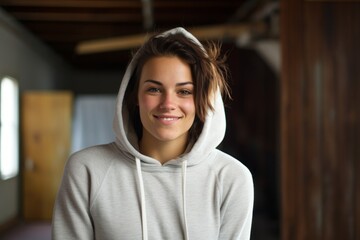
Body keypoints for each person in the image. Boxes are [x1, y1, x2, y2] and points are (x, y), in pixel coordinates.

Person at [52, 27, 254, 240]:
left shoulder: (232, 178)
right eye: (154, 89)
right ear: (134, 97)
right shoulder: (87, 170)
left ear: (203, 100)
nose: (168, 104)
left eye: (184, 91)